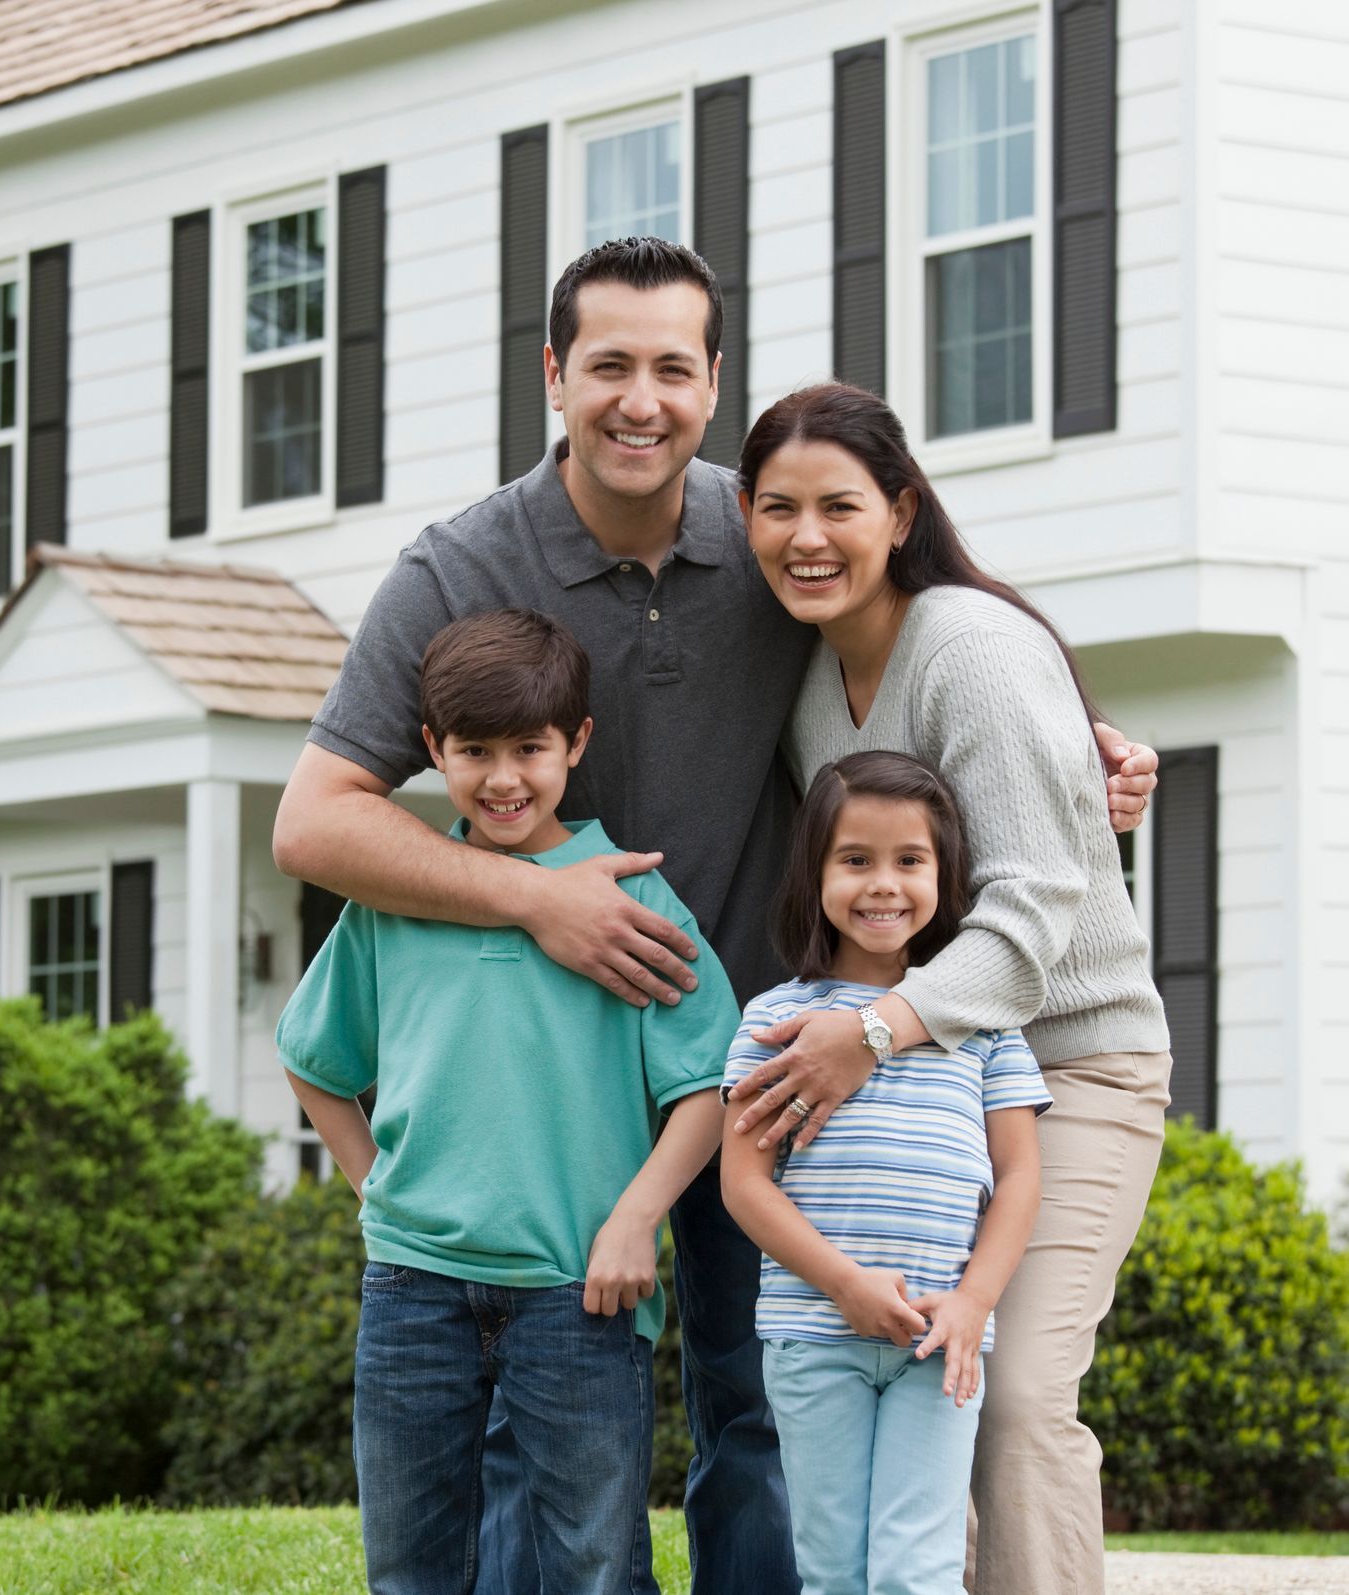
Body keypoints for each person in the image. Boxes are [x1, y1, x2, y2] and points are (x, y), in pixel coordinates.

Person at [271, 236, 1154, 1595]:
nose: (642, 399)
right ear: (554, 376)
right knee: (548, 1434)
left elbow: (927, 634)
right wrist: (534, 898)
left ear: (711, 381)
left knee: (773, 1411)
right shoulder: (457, 567)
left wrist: (1069, 747)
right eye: (609, 364)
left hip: (783, 1066)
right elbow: (314, 821)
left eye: (673, 368)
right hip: (563, 1082)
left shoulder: (769, 533)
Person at [726, 382, 1173, 1595]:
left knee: (1015, 1388)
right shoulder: (812, 675)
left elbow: (1031, 911)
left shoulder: (968, 646)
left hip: (1070, 1061)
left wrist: (864, 1032)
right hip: (917, 1070)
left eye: (837, 506)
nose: (804, 535)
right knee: (923, 1376)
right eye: (775, 508)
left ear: (901, 510)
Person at [278, 608, 735, 1595]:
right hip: (411, 1291)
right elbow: (313, 1058)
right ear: (431, 748)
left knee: (595, 1565)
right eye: (472, 750)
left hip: (580, 1291)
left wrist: (633, 1219)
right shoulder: (395, 902)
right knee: (408, 1567)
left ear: (575, 741)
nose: (502, 778)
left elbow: (707, 1087)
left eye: (529, 747)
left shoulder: (636, 904)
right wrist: (370, 1188)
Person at [721, 750, 1050, 1594]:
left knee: (918, 1571)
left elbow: (1017, 1179)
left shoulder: (982, 1027)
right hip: (813, 1335)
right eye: (856, 859)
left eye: (911, 860)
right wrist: (844, 1285)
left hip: (940, 1340)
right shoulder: (775, 1020)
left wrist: (974, 1301)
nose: (885, 884)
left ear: (944, 874)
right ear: (816, 872)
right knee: (832, 1572)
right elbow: (744, 1183)